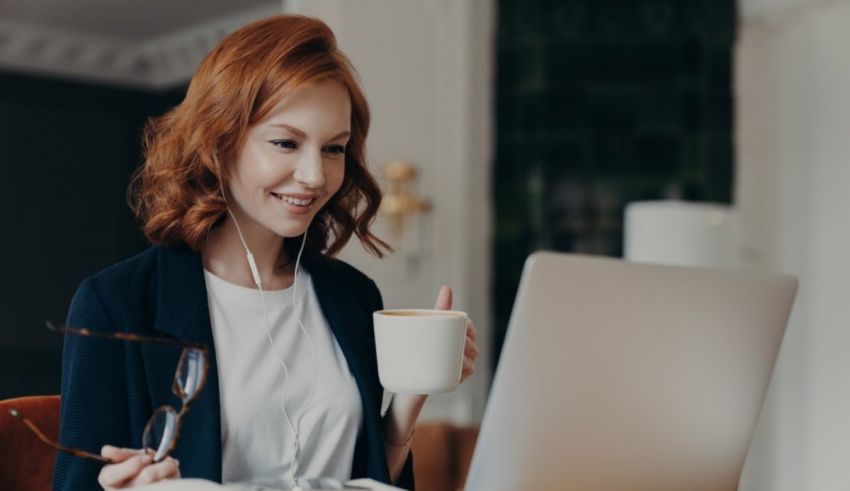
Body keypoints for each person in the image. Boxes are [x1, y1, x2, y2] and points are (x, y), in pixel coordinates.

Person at [52, 14, 479, 490]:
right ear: (219, 144)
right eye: (285, 143)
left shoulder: (353, 298)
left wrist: (408, 398)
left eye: (333, 149)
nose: (315, 176)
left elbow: (369, 479)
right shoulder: (118, 303)